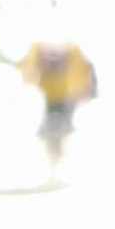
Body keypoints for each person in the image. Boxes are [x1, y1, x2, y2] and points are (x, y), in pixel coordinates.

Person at [19, 34, 95, 167]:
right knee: (65, 122)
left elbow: (26, 65)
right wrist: (84, 88)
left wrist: (28, 78)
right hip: (65, 91)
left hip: (50, 90)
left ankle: (51, 147)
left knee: (50, 121)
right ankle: (57, 148)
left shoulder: (38, 47)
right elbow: (84, 68)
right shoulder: (71, 48)